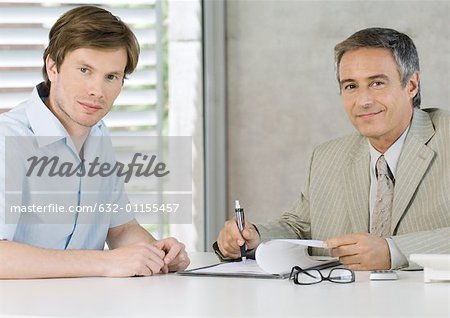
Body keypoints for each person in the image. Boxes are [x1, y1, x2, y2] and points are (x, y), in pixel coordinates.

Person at [217, 27, 450, 271]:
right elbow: (299, 226)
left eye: (377, 83)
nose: (363, 101)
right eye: (351, 86)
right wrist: (253, 237)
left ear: (411, 85)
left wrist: (394, 251)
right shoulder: (328, 157)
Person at [0, 6, 190, 279]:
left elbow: (121, 230)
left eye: (111, 77)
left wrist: (157, 254)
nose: (97, 91)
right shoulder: (9, 139)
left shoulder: (98, 135)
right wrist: (105, 263)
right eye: (85, 70)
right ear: (52, 66)